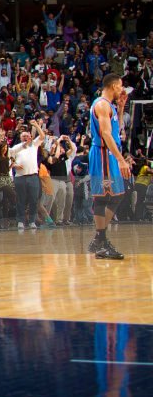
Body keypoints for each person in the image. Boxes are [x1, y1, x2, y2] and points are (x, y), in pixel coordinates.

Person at [87, 73, 131, 259]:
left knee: (118, 194)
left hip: (110, 154)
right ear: (114, 86)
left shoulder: (110, 106)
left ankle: (99, 240)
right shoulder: (102, 105)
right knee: (104, 197)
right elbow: (105, 134)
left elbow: (116, 131)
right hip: (103, 154)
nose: (122, 90)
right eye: (120, 86)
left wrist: (120, 108)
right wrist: (121, 159)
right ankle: (100, 242)